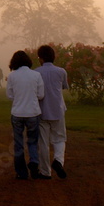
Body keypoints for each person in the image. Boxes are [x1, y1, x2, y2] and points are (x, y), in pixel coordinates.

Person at [5, 50, 44, 180]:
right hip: (33, 112)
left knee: (18, 143)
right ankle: (34, 162)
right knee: (33, 141)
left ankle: (21, 172)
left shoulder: (12, 76)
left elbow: (9, 95)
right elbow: (41, 95)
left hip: (17, 112)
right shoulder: (36, 75)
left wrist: (18, 98)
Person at [36, 44, 69, 179]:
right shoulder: (61, 71)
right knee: (59, 138)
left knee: (43, 143)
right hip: (58, 109)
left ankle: (45, 172)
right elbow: (64, 86)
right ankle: (58, 161)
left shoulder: (36, 73)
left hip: (42, 110)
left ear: (41, 58)